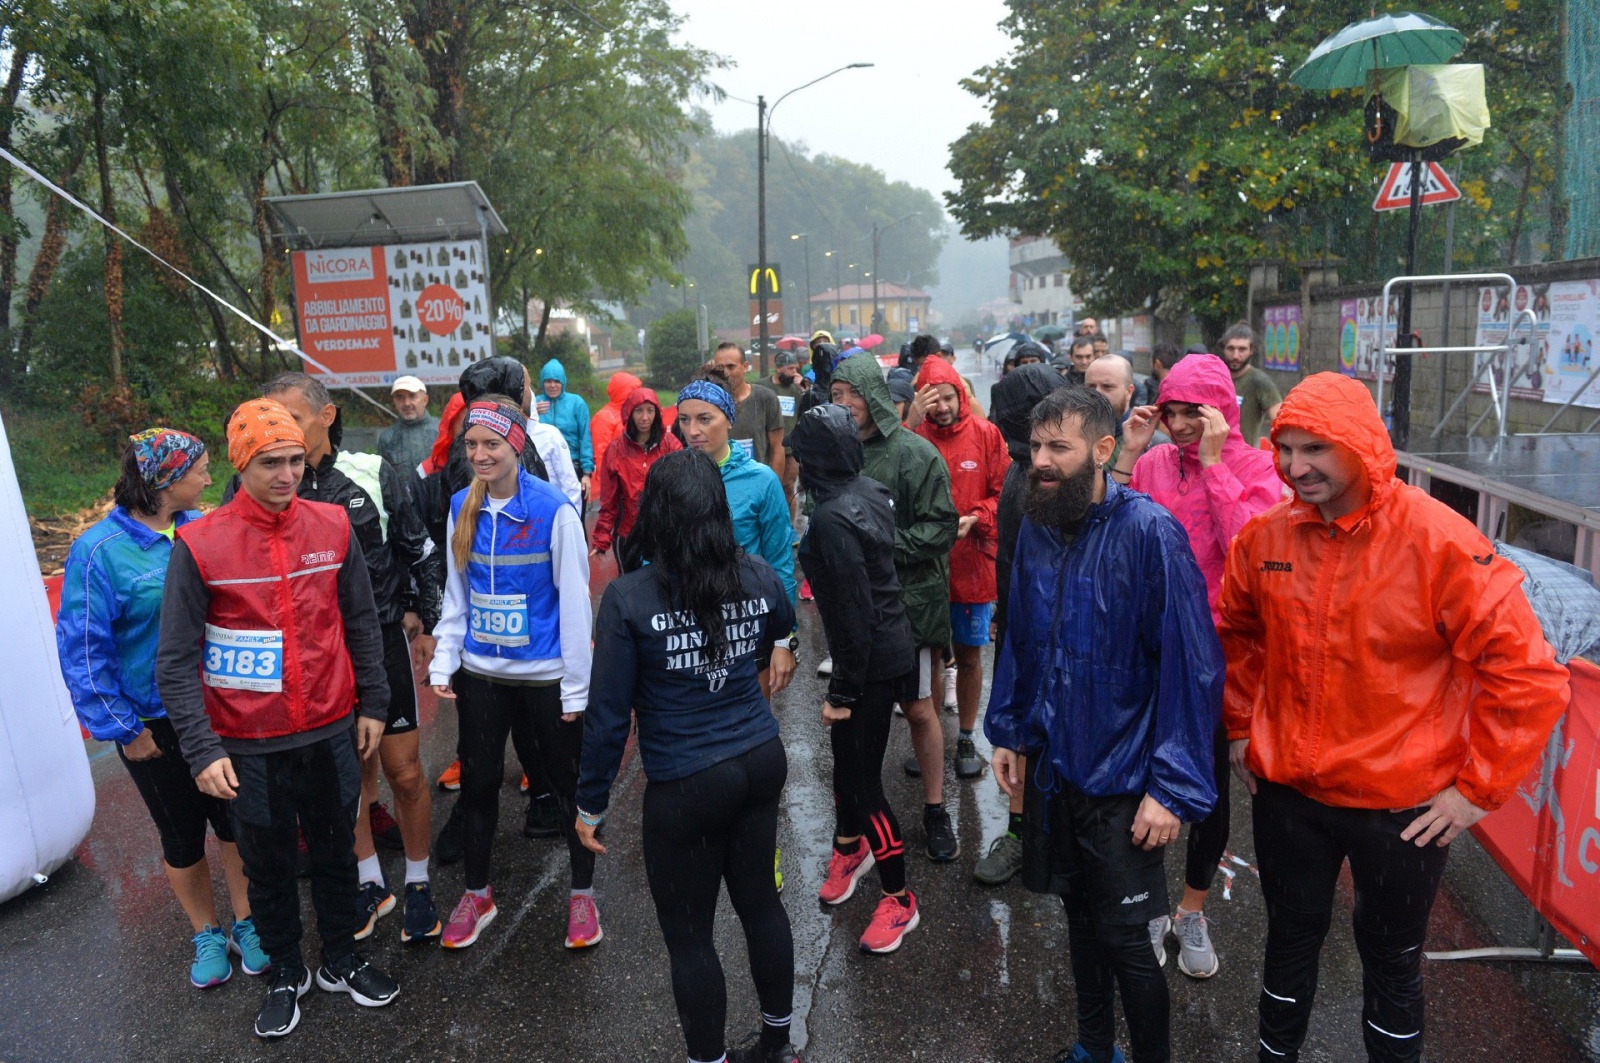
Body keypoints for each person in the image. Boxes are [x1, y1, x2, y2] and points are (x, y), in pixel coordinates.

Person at [1218, 373, 1570, 1063]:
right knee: (1289, 937)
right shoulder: (1266, 537)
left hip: (1400, 810)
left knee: (1391, 958)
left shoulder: (1438, 539)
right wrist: (1239, 725)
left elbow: (1528, 674)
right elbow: (1237, 631)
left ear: (1362, 447)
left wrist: (1475, 791)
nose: (1295, 466)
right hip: (1290, 795)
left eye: (1315, 447)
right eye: (1285, 448)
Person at [986, 386, 1223, 1063]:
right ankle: (1094, 1046)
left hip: (1124, 775)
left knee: (1125, 939)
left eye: (1058, 446)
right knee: (1078, 918)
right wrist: (1012, 731)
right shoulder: (1035, 523)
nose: (1042, 460)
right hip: (1058, 766)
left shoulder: (1150, 532)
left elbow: (1192, 666)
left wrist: (1172, 786)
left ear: (1102, 449)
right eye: (1036, 446)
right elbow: (1024, 637)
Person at [156, 399, 398, 1038]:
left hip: (328, 727)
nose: (287, 474)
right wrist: (202, 749)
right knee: (266, 866)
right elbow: (176, 660)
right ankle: (286, 971)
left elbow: (361, 621)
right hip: (247, 740)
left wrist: (374, 700)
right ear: (242, 464)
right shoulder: (200, 544)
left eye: (295, 460)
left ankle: (341, 960)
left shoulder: (332, 525)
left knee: (335, 851)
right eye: (270, 463)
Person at [578, 450, 799, 1063]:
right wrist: (778, 650)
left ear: (656, 514)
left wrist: (589, 804)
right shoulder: (756, 573)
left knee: (691, 938)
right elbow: (784, 626)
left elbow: (607, 717)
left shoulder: (628, 598)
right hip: (759, 759)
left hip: (687, 782)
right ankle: (779, 1043)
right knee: (761, 904)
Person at [56, 429, 269, 988]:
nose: (207, 477)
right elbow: (82, 648)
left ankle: (247, 922)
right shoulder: (99, 550)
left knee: (233, 821)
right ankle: (206, 931)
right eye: (197, 469)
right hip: (149, 722)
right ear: (164, 481)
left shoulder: (201, 527)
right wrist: (121, 729)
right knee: (180, 834)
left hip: (218, 708)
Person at [235, 373, 440, 947]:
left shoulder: (371, 473)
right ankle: (370, 881)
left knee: (402, 770)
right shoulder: (255, 485)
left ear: (326, 417)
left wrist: (428, 622)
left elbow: (419, 549)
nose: (280, 438)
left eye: (292, 420)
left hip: (377, 641)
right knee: (343, 779)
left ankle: (420, 884)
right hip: (313, 656)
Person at [1113, 353, 1281, 979]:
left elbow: (1253, 553)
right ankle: (1152, 906)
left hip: (1217, 658)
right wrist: (1129, 455)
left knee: (1205, 791)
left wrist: (1213, 467)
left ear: (1221, 411)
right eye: (1172, 411)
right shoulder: (1153, 461)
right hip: (1149, 649)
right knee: (1142, 783)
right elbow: (1112, 533)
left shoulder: (1256, 466)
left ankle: (1192, 909)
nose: (1180, 425)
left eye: (1194, 413)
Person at [427, 396, 597, 951]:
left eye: (491, 444)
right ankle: (477, 893)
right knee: (477, 786)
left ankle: (582, 894)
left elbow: (575, 602)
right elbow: (458, 594)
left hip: (545, 676)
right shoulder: (460, 506)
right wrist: (444, 657)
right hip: (483, 674)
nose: (479, 454)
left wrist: (577, 686)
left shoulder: (553, 509)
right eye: (472, 445)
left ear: (515, 446)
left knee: (567, 785)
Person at [792, 404, 921, 955]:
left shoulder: (831, 518)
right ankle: (850, 845)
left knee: (865, 783)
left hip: (870, 662)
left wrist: (842, 692)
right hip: (885, 649)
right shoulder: (868, 488)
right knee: (845, 763)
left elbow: (852, 612)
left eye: (800, 456)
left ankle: (899, 896)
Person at [829, 354, 961, 861]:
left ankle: (934, 808)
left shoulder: (916, 454)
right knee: (858, 714)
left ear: (874, 396)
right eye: (835, 395)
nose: (841, 405)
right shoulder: (836, 455)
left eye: (850, 395)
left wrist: (880, 544)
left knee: (918, 707)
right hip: (855, 608)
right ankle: (860, 817)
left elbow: (941, 527)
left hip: (908, 606)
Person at [972, 364, 1066, 887]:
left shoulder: (1083, 479)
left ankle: (1060, 835)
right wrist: (1004, 623)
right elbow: (1011, 561)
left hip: (1076, 638)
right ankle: (1019, 832)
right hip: (1022, 631)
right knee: (1024, 735)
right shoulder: (1017, 472)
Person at [912, 355, 1008, 780]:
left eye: (948, 397)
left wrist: (978, 518)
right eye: (932, 400)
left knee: (969, 657)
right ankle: (929, 737)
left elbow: (1004, 494)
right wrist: (908, 422)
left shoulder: (987, 435)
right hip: (924, 568)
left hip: (972, 566)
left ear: (962, 395)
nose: (942, 407)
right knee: (929, 657)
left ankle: (966, 735)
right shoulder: (911, 438)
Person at [676, 378, 798, 696]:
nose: (693, 431)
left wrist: (785, 639)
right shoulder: (670, 477)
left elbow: (779, 564)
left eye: (705, 418)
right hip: (685, 628)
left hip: (747, 626)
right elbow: (653, 557)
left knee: (750, 727)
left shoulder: (761, 481)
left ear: (729, 419)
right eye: (684, 420)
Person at [591, 385, 682, 572]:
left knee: (665, 587)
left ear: (657, 412)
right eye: (639, 411)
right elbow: (609, 500)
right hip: (628, 535)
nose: (645, 417)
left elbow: (681, 490)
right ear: (629, 413)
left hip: (663, 532)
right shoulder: (616, 449)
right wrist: (601, 538)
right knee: (630, 590)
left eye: (650, 411)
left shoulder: (670, 445)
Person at [713, 342, 785, 475]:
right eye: (720, 368)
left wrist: (774, 487)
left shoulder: (766, 398)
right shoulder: (709, 402)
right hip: (720, 483)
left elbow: (777, 448)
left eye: (731, 366)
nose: (725, 373)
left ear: (745, 367)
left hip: (756, 482)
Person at [760, 349, 809, 529]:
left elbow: (811, 407)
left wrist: (803, 388)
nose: (793, 373)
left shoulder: (796, 389)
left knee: (788, 487)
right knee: (769, 488)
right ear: (778, 369)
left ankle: (790, 527)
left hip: (789, 449)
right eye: (789, 369)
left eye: (795, 369)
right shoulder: (763, 386)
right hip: (767, 446)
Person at [537, 358, 595, 497]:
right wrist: (529, 412)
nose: (552, 385)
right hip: (543, 467)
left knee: (574, 513)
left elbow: (585, 438)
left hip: (572, 463)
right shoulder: (534, 402)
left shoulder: (576, 403)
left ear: (563, 382)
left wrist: (587, 473)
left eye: (557, 381)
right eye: (548, 381)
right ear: (542, 382)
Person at [1217, 323, 1282, 444]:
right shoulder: (1215, 377)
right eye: (1231, 348)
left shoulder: (1259, 381)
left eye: (1242, 349)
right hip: (1214, 456)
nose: (1235, 355)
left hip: (1246, 458)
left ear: (1251, 351)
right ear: (1223, 348)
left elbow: (1281, 423)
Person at [590, 370, 643, 489]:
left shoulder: (633, 413)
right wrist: (608, 482)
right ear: (623, 392)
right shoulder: (604, 416)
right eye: (633, 391)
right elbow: (601, 454)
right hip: (617, 479)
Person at [379, 375, 437, 473]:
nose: (406, 403)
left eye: (412, 396)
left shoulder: (443, 430)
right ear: (394, 402)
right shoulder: (387, 438)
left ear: (425, 400)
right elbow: (384, 479)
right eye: (400, 398)